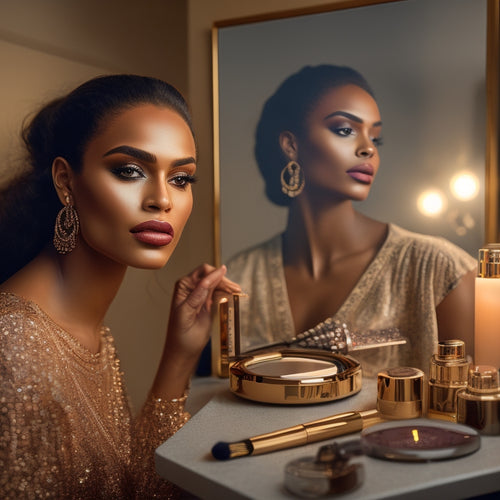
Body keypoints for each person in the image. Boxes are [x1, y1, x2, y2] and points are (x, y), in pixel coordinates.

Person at [0, 74, 241, 498]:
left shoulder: (90, 333)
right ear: (65, 181)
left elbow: (139, 490)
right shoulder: (14, 347)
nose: (162, 199)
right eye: (129, 170)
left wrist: (178, 358)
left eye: (181, 178)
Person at [226, 64, 476, 376]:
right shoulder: (239, 278)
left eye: (376, 138)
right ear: (291, 145)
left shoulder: (440, 271)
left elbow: (474, 417)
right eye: (345, 130)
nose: (368, 148)